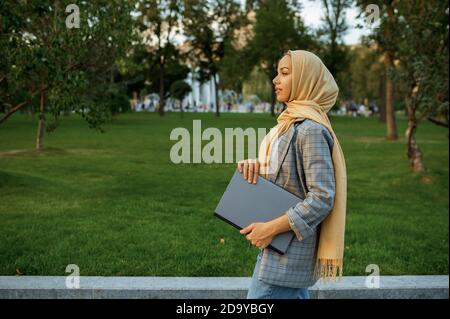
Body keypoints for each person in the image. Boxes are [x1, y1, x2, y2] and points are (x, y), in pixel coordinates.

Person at [237, 50, 347, 299]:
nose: (276, 79)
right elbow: (288, 177)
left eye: (285, 73)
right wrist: (258, 166)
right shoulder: (289, 125)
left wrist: (270, 229)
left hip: (287, 255)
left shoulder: (310, 130)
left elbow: (322, 197)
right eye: (277, 72)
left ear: (306, 81)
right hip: (278, 251)